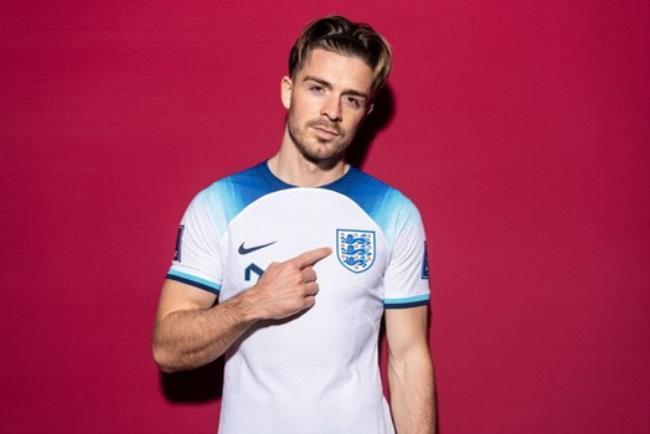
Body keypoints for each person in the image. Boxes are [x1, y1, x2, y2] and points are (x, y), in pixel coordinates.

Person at [153, 15, 436, 434]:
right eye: (318, 88)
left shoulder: (394, 213)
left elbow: (409, 358)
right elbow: (168, 349)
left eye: (352, 99)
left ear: (366, 112)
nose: (332, 112)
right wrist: (254, 303)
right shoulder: (218, 204)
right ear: (288, 90)